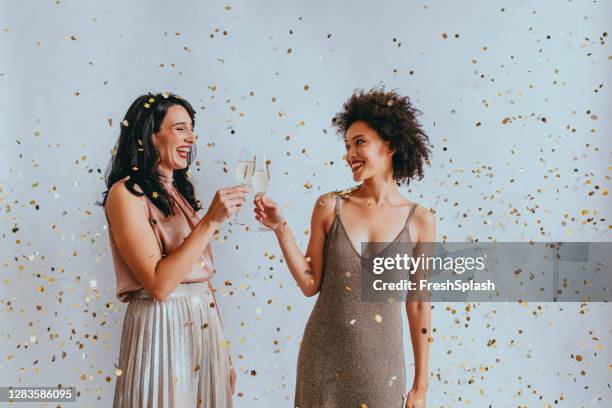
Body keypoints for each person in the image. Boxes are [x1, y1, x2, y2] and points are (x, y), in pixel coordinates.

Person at [254, 87, 435, 407]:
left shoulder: (420, 221)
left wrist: (420, 387)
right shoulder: (328, 206)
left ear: (390, 145)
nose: (350, 153)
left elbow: (419, 305)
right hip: (322, 359)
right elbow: (311, 284)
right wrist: (280, 229)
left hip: (383, 369)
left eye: (359, 143)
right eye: (347, 145)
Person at [98, 92, 246, 407]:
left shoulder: (178, 192)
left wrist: (224, 353)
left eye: (192, 129)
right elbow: (159, 285)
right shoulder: (124, 194)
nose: (191, 138)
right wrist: (211, 221)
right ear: (149, 135)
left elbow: (204, 280)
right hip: (160, 328)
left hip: (204, 328)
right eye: (180, 128)